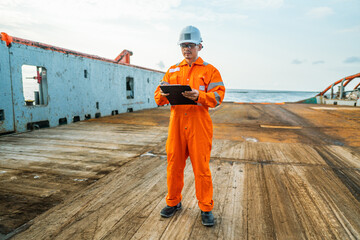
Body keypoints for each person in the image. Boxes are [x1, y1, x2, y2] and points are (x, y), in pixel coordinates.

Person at [154, 25, 225, 227]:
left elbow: (218, 96)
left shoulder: (210, 71)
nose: (187, 49)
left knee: (201, 169)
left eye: (191, 45)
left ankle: (205, 208)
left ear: (200, 46)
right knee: (174, 166)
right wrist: (165, 95)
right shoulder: (172, 70)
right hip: (176, 126)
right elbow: (157, 97)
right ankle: (173, 202)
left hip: (198, 126)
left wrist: (199, 96)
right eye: (184, 46)